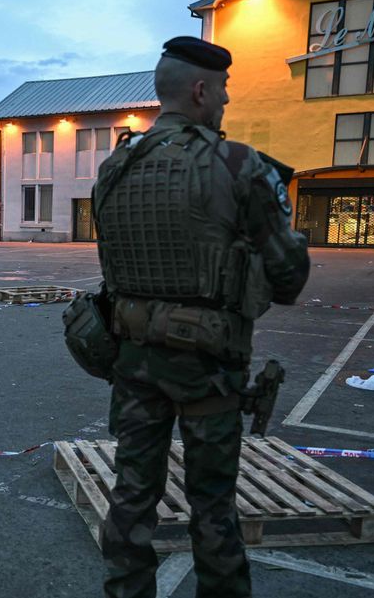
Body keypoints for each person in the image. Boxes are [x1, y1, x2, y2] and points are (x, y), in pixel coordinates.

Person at [93, 37, 310, 597]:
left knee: (131, 495)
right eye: (223, 91)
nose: (227, 102)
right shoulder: (238, 164)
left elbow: (112, 270)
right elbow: (288, 279)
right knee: (212, 503)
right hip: (209, 368)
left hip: (134, 362)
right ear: (200, 90)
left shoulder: (115, 167)